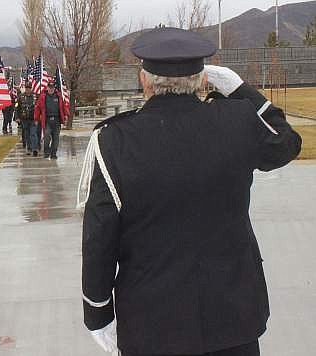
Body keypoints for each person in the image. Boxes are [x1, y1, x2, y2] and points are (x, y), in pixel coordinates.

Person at [78, 28, 302, 356]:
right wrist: (241, 90)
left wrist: (97, 311)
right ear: (203, 81)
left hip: (152, 323)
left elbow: (99, 239)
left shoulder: (114, 141)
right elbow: (286, 141)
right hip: (233, 318)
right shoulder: (238, 122)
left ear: (145, 81)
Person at [35, 80, 67, 159]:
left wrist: (65, 116)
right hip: (47, 121)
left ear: (54, 88)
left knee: (56, 138)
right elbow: (38, 108)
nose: (51, 89)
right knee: (46, 136)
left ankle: (53, 154)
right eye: (49, 87)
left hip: (57, 120)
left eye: (52, 87)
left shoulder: (58, 96)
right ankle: (46, 152)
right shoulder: (43, 97)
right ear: (47, 87)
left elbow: (63, 107)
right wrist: (36, 118)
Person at [16, 82, 39, 156]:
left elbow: (39, 107)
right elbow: (17, 107)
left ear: (31, 88)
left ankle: (35, 149)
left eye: (29, 88)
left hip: (33, 119)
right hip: (24, 119)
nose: (28, 89)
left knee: (33, 134)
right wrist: (17, 117)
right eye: (26, 88)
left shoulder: (35, 96)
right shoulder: (21, 96)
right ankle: (29, 148)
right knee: (27, 134)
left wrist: (39, 117)